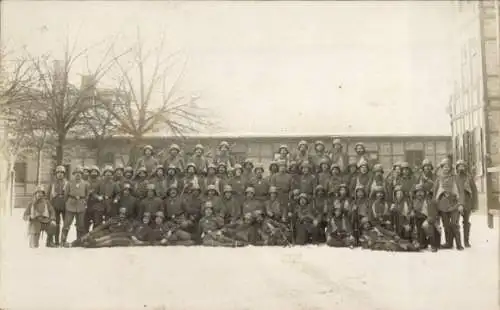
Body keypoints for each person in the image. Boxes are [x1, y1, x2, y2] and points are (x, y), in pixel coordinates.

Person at [432, 159, 465, 250]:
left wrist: (461, 204)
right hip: (442, 206)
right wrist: (435, 206)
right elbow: (435, 193)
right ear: (441, 168)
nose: (446, 169)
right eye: (444, 167)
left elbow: (461, 192)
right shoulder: (438, 179)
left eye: (448, 167)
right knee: (446, 225)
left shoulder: (456, 178)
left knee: (454, 224)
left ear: (451, 168)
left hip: (454, 205)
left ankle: (459, 244)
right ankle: (448, 243)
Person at [62, 166, 90, 247]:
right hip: (70, 205)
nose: (78, 175)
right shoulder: (69, 183)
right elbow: (65, 195)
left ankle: (79, 241)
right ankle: (63, 241)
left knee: (80, 225)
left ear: (82, 174)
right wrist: (67, 203)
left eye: (80, 173)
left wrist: (84, 201)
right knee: (66, 224)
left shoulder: (86, 183)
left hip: (81, 205)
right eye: (76, 173)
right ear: (74, 174)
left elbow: (87, 194)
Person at [455, 160, 478, 248]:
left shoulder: (469, 178)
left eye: (463, 166)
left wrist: (474, 206)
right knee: (455, 223)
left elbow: (474, 192)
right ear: (457, 168)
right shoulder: (454, 178)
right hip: (457, 203)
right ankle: (458, 243)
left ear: (465, 168)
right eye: (459, 166)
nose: (461, 168)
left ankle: (466, 241)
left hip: (467, 203)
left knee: (466, 222)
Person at [412, 184, 440, 252]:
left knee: (426, 225)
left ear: (424, 193)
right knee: (417, 222)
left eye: (421, 192)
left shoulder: (428, 201)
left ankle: (433, 245)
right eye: (418, 192)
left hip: (431, 220)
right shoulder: (415, 201)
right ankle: (423, 243)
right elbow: (413, 211)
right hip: (421, 220)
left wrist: (427, 221)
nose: (419, 194)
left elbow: (433, 214)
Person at [47, 165, 68, 246]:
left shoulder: (67, 183)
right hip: (54, 206)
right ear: (56, 174)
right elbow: (48, 195)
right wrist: (49, 206)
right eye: (58, 173)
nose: (60, 174)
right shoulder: (52, 183)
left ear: (64, 174)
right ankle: (56, 241)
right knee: (56, 224)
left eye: (62, 173)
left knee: (66, 224)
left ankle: (63, 241)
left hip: (65, 206)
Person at [85, 165, 102, 233]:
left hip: (97, 204)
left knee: (96, 221)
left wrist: (97, 196)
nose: (94, 173)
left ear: (98, 173)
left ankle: (94, 236)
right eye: (92, 171)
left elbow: (102, 192)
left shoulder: (100, 182)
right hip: (87, 203)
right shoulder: (86, 181)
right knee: (86, 222)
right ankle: (85, 237)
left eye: (95, 172)